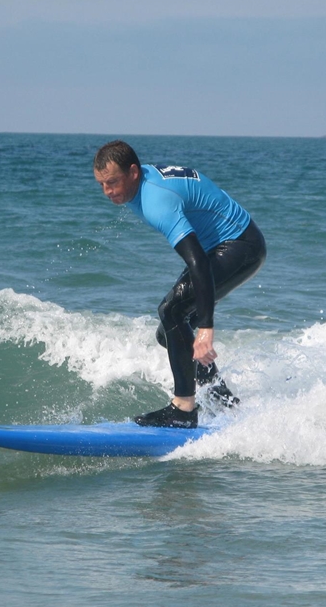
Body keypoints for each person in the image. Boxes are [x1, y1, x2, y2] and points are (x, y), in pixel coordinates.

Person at [93, 140, 266, 429]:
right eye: (101, 184)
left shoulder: (156, 201)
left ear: (133, 172)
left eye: (112, 182)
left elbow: (196, 259)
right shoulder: (143, 181)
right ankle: (222, 399)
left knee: (172, 312)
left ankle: (184, 410)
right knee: (170, 334)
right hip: (229, 243)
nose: (107, 192)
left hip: (239, 245)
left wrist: (207, 327)